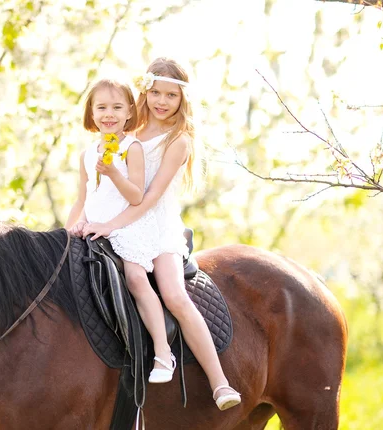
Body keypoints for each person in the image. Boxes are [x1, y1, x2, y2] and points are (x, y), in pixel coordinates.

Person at [83, 59, 242, 410]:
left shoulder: (178, 140)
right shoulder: (129, 131)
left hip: (157, 227)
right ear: (144, 91)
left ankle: (220, 383)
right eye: (155, 92)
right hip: (123, 220)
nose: (161, 100)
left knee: (173, 294)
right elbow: (102, 186)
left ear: (182, 99)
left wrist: (110, 226)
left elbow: (150, 197)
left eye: (171, 95)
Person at [65, 78, 176, 383]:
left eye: (116, 107)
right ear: (91, 111)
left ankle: (163, 352)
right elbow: (83, 198)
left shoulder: (132, 147)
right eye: (101, 107)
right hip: (95, 227)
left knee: (137, 278)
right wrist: (66, 231)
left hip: (128, 225)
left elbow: (136, 196)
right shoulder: (87, 154)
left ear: (129, 111)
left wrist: (113, 172)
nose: (108, 114)